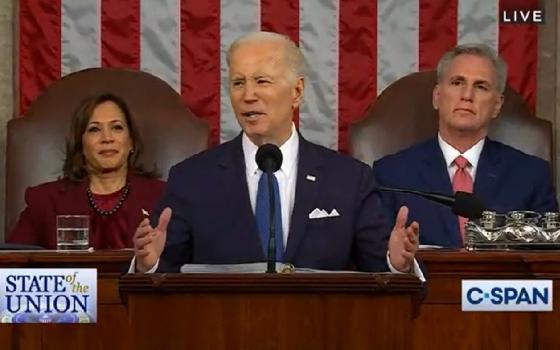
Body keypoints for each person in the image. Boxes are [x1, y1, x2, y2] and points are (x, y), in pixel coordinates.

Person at [132, 31, 422, 278]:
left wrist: (395, 264)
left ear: (296, 92)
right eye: (238, 83)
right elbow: (163, 273)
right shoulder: (192, 179)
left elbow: (379, 273)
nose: (248, 95)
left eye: (262, 81)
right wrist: (149, 263)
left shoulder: (348, 179)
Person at [372, 43, 558, 248]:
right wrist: (396, 262)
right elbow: (374, 256)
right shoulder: (392, 173)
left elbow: (547, 260)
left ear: (497, 105)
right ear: (437, 96)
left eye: (481, 86)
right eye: (457, 82)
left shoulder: (531, 175)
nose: (467, 96)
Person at [7, 93, 166, 249]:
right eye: (94, 129)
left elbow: (181, 265)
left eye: (117, 127)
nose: (107, 138)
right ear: (80, 144)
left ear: (131, 141)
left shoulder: (164, 197)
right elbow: (12, 267)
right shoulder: (45, 201)